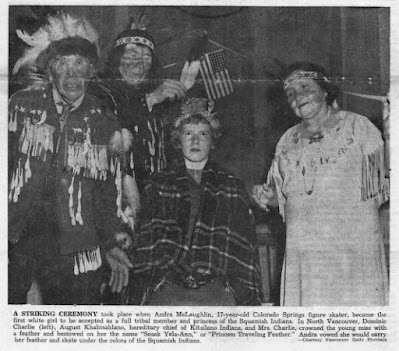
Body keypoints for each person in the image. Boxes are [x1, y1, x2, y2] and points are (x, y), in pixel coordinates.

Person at [8, 13, 136, 304]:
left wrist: (111, 243)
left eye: (80, 63)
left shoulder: (105, 122)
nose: (71, 74)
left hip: (77, 245)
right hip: (16, 238)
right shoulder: (19, 107)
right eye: (62, 63)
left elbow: (110, 194)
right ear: (49, 70)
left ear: (92, 69)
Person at [252, 62, 389, 306]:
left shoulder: (359, 127)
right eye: (290, 93)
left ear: (325, 90)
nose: (298, 96)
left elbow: (386, 180)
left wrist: (392, 136)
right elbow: (279, 198)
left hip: (353, 252)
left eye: (305, 86)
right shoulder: (286, 141)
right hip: (305, 256)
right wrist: (267, 196)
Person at [123, 97, 262, 305]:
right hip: (166, 284)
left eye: (203, 134)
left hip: (218, 284)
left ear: (213, 141)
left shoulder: (232, 186)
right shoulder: (158, 184)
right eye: (188, 134)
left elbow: (243, 249)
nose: (195, 141)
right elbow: (147, 245)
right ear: (178, 141)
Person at [99, 26, 187, 192]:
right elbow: (112, 130)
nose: (140, 63)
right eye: (133, 56)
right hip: (116, 190)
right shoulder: (101, 92)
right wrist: (150, 100)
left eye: (147, 58)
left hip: (159, 190)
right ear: (117, 59)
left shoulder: (160, 99)